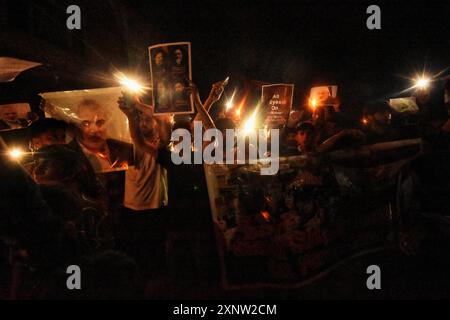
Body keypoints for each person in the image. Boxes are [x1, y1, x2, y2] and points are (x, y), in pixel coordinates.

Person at [117, 94, 170, 277]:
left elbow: (162, 118)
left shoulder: (162, 146)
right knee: (135, 256)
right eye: (140, 120)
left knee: (156, 257)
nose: (143, 123)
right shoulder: (124, 143)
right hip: (132, 206)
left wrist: (137, 106)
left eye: (148, 119)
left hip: (156, 207)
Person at [68, 99, 133, 172]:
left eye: (100, 123)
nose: (94, 130)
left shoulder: (127, 150)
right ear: (75, 127)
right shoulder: (66, 158)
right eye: (86, 123)